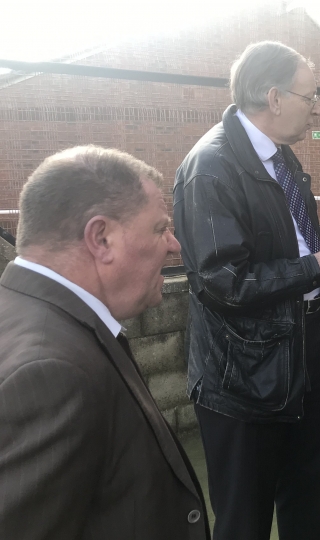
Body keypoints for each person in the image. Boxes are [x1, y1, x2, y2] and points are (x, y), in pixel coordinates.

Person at [173, 41, 320, 540]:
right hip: (245, 375)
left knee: (310, 502)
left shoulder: (282, 158)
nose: (316, 107)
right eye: (309, 96)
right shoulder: (211, 167)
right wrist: (318, 263)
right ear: (275, 98)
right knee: (245, 519)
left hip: (311, 353)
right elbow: (222, 282)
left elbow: (286, 240)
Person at [0, 146, 207, 539]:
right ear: (101, 237)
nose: (174, 245)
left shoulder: (29, 313)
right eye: (160, 228)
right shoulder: (49, 373)